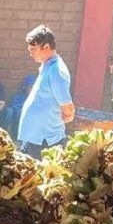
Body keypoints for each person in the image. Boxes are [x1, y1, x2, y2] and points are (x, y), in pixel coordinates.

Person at [16, 25, 73, 157]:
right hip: (34, 137)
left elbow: (69, 110)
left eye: (33, 49)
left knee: (38, 176)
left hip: (45, 141)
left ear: (46, 46)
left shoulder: (57, 72)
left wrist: (53, 123)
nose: (31, 53)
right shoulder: (47, 66)